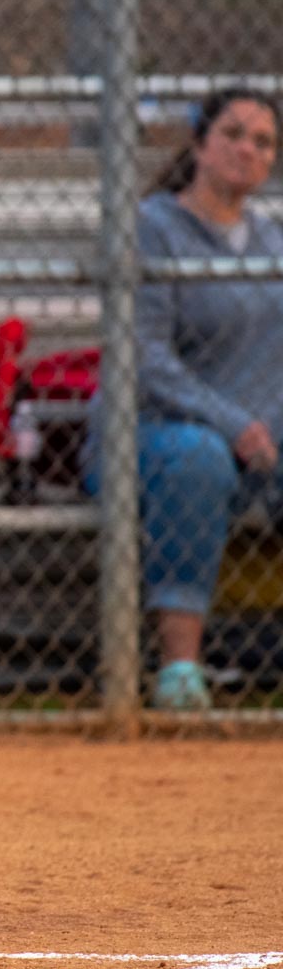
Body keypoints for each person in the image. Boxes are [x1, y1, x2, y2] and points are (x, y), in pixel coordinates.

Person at [85, 87, 283, 710]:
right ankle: (180, 671)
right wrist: (232, 424)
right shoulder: (153, 228)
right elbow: (145, 360)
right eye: (233, 134)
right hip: (150, 435)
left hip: (255, 437)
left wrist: (262, 427)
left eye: (263, 142)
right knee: (200, 458)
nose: (247, 149)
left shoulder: (272, 240)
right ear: (200, 143)